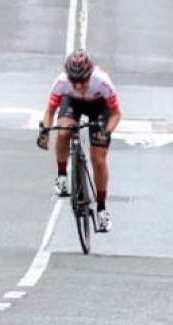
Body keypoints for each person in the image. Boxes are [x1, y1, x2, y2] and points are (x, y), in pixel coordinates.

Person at [37, 50, 120, 232]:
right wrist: (44, 132)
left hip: (99, 106)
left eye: (83, 80)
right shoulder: (62, 83)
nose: (79, 85)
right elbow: (50, 112)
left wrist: (106, 132)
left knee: (98, 160)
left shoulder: (102, 82)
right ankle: (62, 177)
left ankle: (101, 208)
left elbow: (116, 114)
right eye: (74, 81)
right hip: (72, 103)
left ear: (90, 75)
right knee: (64, 132)